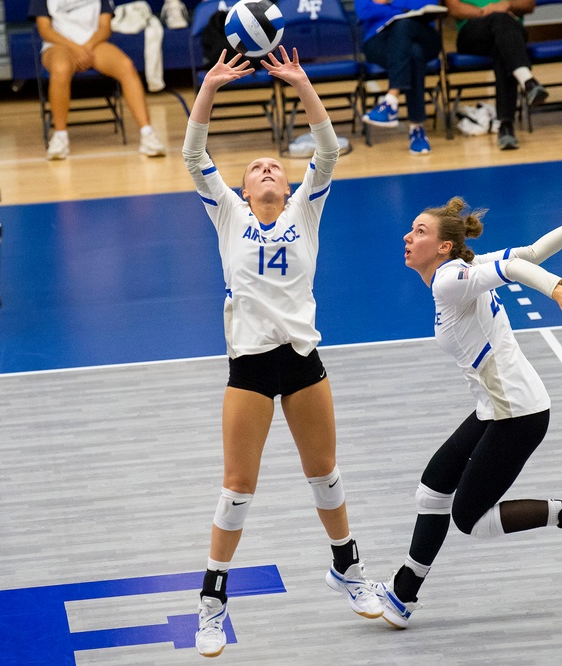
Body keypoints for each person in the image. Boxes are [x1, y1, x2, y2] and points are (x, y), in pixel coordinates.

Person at [182, 48, 382, 658]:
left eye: (276, 165)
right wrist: (210, 87)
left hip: (301, 361)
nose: (269, 169)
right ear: (241, 188)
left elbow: (327, 150)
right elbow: (194, 155)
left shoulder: (305, 210)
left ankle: (346, 568)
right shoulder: (228, 216)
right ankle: (212, 602)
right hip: (249, 366)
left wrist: (301, 83)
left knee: (325, 473)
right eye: (257, 168)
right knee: (238, 486)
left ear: (289, 184)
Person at [368, 184, 562, 629]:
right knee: (432, 492)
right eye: (410, 230)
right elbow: (530, 253)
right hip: (497, 407)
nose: (408, 237)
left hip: (516, 414)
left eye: (419, 231)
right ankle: (402, 594)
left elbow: (514, 266)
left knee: (473, 521)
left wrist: (556, 288)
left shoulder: (450, 278)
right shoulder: (463, 268)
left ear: (443, 246)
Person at [29, 0, 167, 160]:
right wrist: (75, 48)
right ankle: (60, 137)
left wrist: (86, 48)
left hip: (92, 45)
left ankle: (147, 134)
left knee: (126, 66)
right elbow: (45, 30)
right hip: (58, 46)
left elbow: (105, 28)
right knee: (61, 69)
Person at [444, 0, 550, 150]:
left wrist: (508, 5)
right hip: (473, 31)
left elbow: (528, 5)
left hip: (511, 31)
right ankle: (525, 85)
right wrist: (486, 12)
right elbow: (453, 8)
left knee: (502, 47)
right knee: (501, 23)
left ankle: (506, 125)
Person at [356, 0, 444, 154]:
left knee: (404, 26)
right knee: (414, 53)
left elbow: (429, 5)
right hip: (378, 38)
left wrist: (389, 3)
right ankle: (417, 128)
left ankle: (391, 100)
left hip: (421, 32)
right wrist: (401, 8)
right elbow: (364, 11)